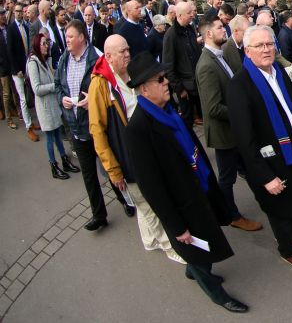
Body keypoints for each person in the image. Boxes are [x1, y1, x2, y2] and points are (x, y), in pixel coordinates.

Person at [123, 53, 248, 313]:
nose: (167, 82)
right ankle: (216, 294)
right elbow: (151, 186)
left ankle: (195, 270)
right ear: (144, 88)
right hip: (181, 204)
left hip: (198, 188)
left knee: (206, 239)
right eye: (160, 79)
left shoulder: (167, 111)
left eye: (165, 76)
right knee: (197, 249)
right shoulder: (139, 128)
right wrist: (176, 226)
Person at [227, 25, 292, 269]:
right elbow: (244, 139)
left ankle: (290, 233)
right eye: (260, 46)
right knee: (279, 207)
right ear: (248, 51)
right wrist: (265, 176)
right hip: (269, 160)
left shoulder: (277, 70)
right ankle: (287, 249)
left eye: (270, 44)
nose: (267, 49)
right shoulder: (240, 85)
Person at [88, 34, 185, 261]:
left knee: (143, 201)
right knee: (147, 202)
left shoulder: (130, 73)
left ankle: (149, 241)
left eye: (128, 49)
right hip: (126, 157)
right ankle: (169, 247)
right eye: (122, 51)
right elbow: (97, 130)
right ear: (109, 56)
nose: (127, 54)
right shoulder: (100, 85)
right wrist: (113, 170)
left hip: (145, 146)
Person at [195, 17, 263, 232]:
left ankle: (266, 198)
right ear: (208, 34)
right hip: (224, 133)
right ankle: (231, 215)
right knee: (226, 177)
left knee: (248, 167)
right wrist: (242, 113)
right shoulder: (206, 65)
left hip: (234, 130)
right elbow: (213, 108)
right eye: (218, 28)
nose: (224, 30)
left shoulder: (219, 55)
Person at [58, 19, 126, 230]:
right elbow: (58, 86)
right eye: (66, 37)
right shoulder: (63, 59)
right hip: (76, 127)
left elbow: (113, 86)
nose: (67, 40)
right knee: (89, 176)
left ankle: (126, 200)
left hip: (97, 126)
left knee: (110, 166)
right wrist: (62, 99)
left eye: (70, 36)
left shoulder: (97, 57)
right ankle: (99, 215)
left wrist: (94, 101)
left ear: (81, 38)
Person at [27, 31, 79, 179]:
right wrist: (54, 86)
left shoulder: (44, 60)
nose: (46, 46)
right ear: (37, 45)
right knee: (50, 137)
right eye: (44, 43)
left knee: (57, 134)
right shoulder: (33, 62)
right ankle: (53, 166)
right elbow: (36, 89)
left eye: (47, 43)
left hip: (52, 104)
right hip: (45, 107)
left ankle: (64, 160)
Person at [163, 1, 202, 126]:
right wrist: (180, 89)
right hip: (185, 87)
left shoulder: (189, 29)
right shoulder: (171, 35)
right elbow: (168, 66)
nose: (193, 15)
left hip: (196, 83)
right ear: (179, 15)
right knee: (187, 119)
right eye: (189, 13)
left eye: (192, 12)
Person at [7, 4, 38, 139]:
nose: (20, 13)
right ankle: (28, 126)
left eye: (22, 11)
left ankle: (34, 122)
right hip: (17, 71)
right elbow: (10, 52)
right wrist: (16, 70)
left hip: (28, 67)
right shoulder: (11, 29)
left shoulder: (26, 27)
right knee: (23, 99)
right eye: (18, 11)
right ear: (14, 13)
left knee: (33, 94)